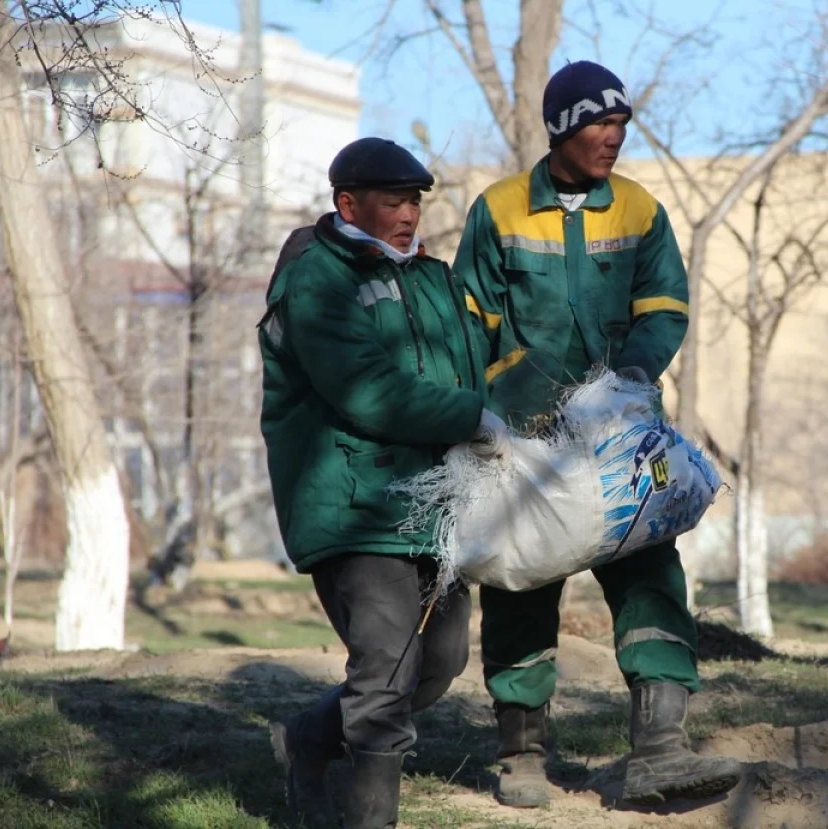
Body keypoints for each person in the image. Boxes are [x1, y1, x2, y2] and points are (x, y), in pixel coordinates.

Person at [452, 60, 743, 808]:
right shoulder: (501, 209)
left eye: (621, 125)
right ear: (559, 129)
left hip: (625, 436)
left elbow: (665, 307)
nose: (613, 138)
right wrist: (471, 413)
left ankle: (661, 744)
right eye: (598, 125)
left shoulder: (640, 211)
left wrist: (632, 378)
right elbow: (469, 324)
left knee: (652, 572)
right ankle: (521, 753)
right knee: (523, 580)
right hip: (526, 436)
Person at [258, 137, 511, 828]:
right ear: (348, 203)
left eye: (415, 201)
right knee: (385, 676)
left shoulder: (431, 277)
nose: (408, 214)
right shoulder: (316, 279)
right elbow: (368, 391)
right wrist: (471, 416)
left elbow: (473, 362)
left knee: (440, 662)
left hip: (435, 508)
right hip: (355, 506)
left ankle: (307, 740)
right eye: (393, 201)